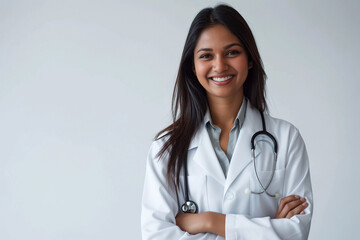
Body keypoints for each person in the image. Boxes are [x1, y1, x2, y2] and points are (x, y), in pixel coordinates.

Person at [141, 4, 313, 240]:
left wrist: (209, 221)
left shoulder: (286, 139)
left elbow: (295, 232)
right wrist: (267, 229)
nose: (220, 66)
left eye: (232, 52)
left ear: (250, 59)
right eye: (206, 56)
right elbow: (157, 235)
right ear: (193, 66)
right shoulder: (165, 149)